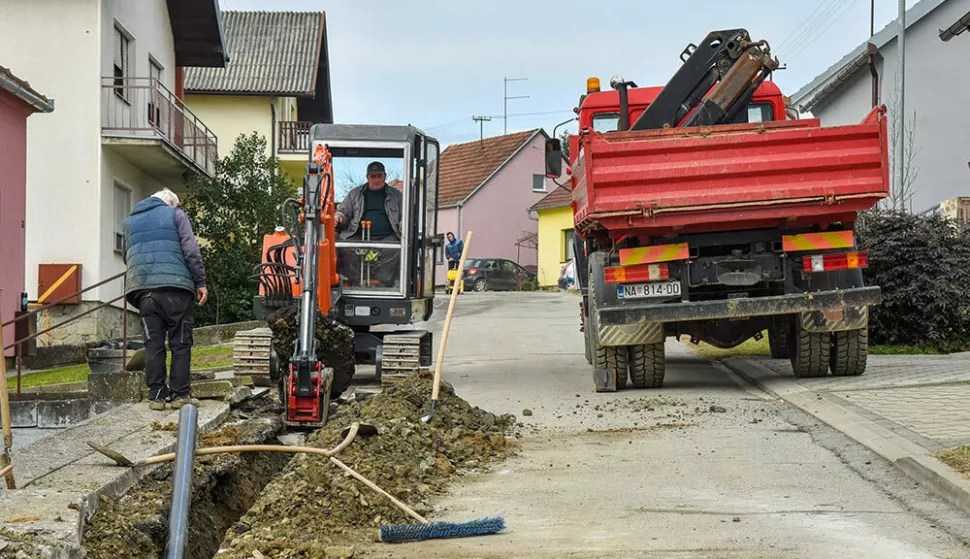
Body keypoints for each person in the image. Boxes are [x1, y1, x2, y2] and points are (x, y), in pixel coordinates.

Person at [123, 188, 208, 411]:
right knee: (180, 342)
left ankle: (157, 396)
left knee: (153, 344)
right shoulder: (176, 214)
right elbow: (191, 249)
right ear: (170, 203)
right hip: (176, 289)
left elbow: (127, 256)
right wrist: (200, 282)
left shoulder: (129, 222)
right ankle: (180, 395)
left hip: (144, 291)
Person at [335, 162, 403, 286]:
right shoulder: (354, 194)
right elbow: (343, 211)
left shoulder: (396, 196)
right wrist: (339, 217)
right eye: (373, 176)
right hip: (358, 235)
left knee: (395, 248)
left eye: (379, 176)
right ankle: (354, 283)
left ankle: (383, 282)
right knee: (345, 248)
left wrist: (404, 227)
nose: (376, 180)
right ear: (367, 177)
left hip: (386, 237)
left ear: (385, 176)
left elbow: (405, 217)